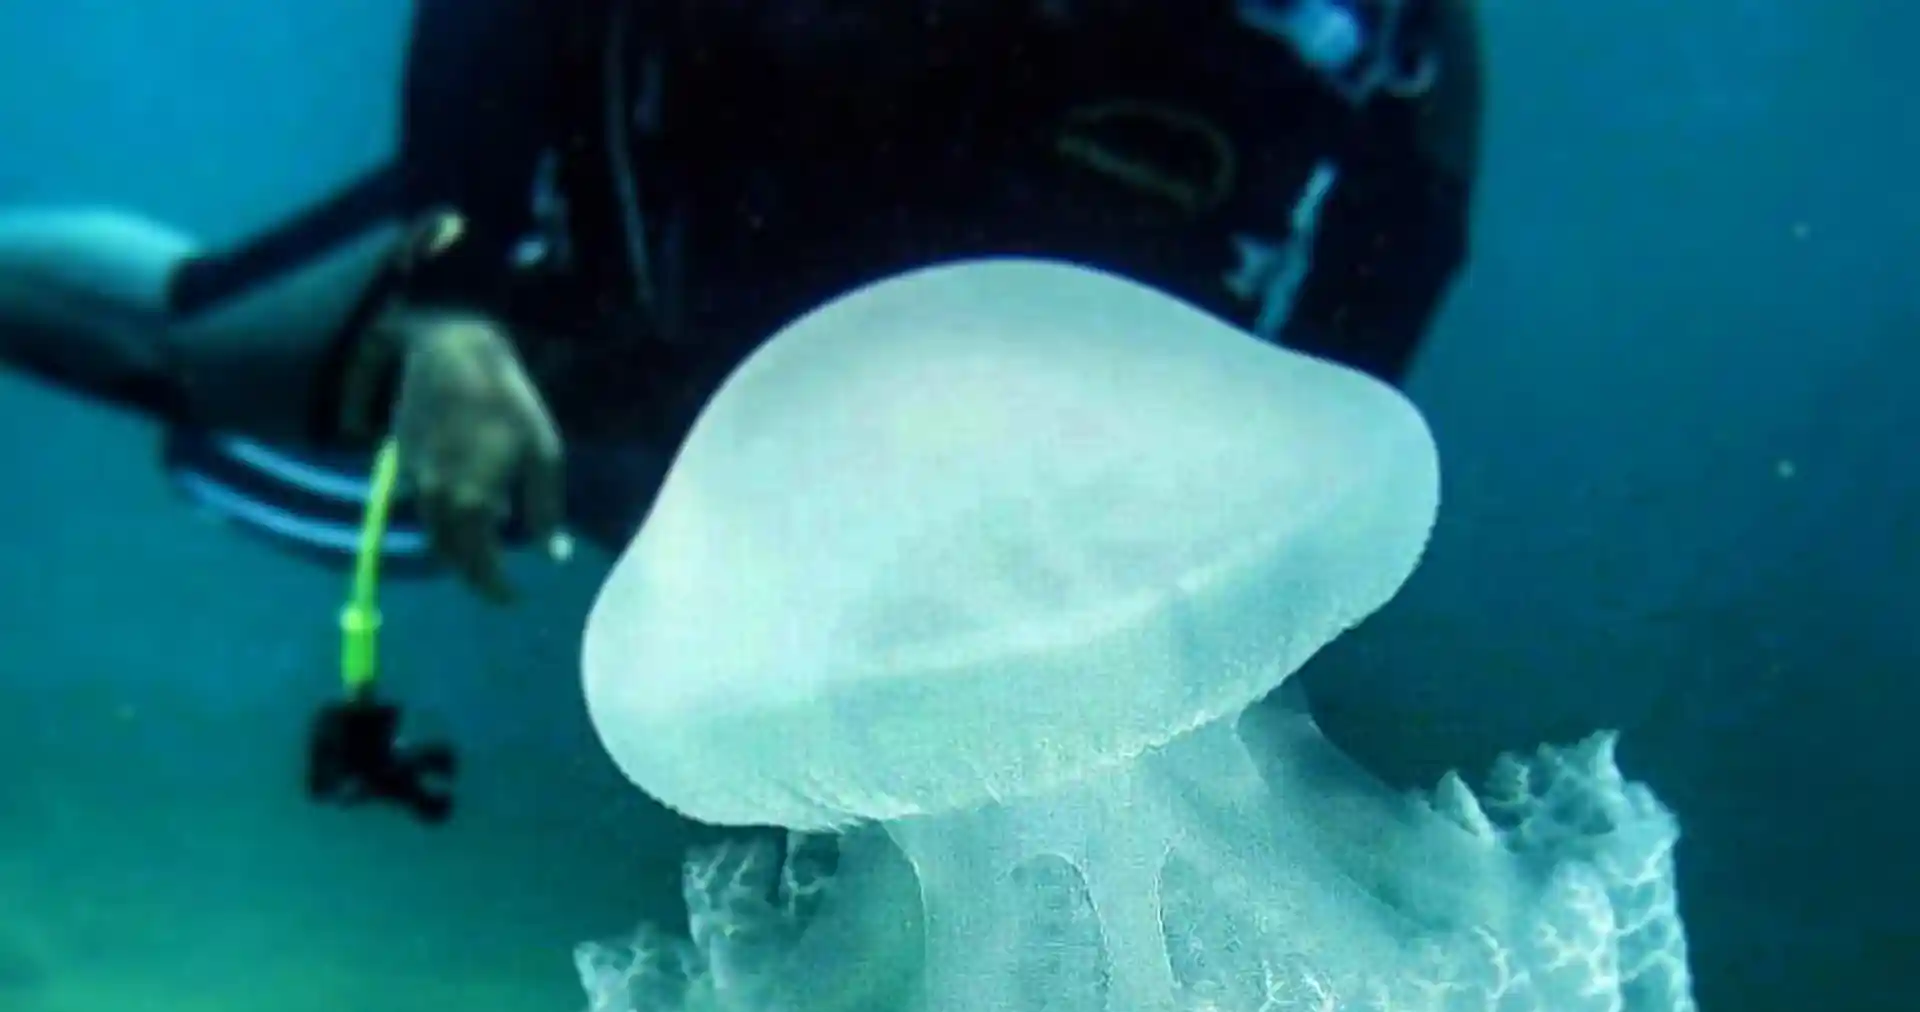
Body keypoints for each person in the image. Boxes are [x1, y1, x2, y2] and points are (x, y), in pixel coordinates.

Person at [0, 0, 1481, 605]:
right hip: (600, 299)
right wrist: (453, 308)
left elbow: (1410, 220)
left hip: (986, 471)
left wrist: (1272, 539)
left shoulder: (1389, 19)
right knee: (174, 342)